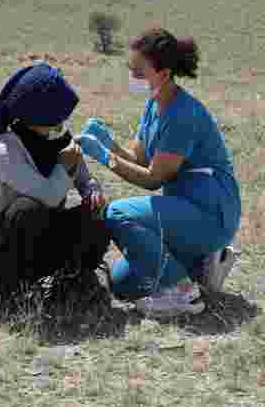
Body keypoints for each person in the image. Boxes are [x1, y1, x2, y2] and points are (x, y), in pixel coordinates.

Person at [76, 27, 241, 318]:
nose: (133, 77)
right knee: (123, 282)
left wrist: (103, 156)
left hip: (209, 213)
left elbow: (152, 179)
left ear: (163, 73)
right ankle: (202, 268)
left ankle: (182, 292)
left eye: (140, 72)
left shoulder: (182, 115)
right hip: (184, 210)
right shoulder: (154, 104)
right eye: (131, 69)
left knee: (117, 213)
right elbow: (138, 158)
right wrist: (107, 141)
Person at [0, 62, 112, 317]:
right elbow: (49, 196)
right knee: (26, 208)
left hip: (46, 233)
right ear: (36, 115)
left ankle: (71, 282)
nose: (60, 125)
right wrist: (65, 167)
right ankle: (3, 291)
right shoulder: (2, 149)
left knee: (97, 213)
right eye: (54, 119)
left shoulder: (59, 140)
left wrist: (92, 191)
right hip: (8, 242)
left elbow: (85, 180)